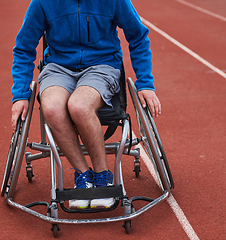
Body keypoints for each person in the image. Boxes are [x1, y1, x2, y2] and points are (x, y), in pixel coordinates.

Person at [10, 0, 161, 209]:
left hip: (102, 66)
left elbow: (138, 36)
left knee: (79, 106)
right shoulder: (43, 2)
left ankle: (103, 177)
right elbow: (24, 48)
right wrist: (20, 95)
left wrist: (145, 83)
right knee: (52, 108)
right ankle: (83, 175)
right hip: (58, 67)